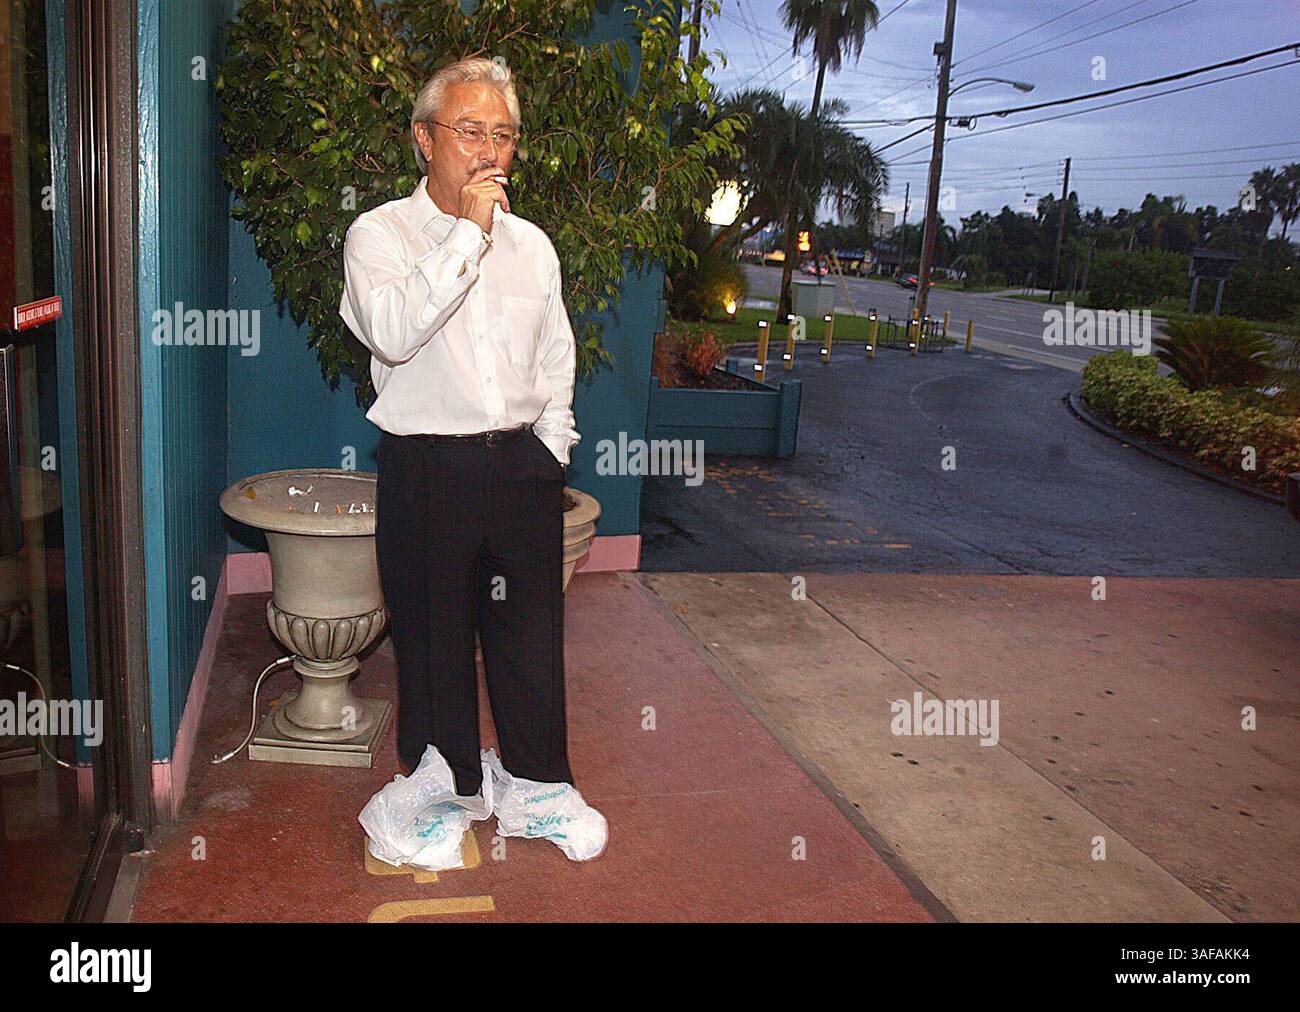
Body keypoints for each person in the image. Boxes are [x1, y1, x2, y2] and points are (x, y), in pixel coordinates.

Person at [339, 57, 604, 862]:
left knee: (531, 639)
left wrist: (550, 447)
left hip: (521, 470)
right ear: (425, 140)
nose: (489, 150)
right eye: (468, 131)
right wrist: (467, 234)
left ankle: (538, 788)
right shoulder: (378, 234)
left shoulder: (534, 247)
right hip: (428, 471)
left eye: (503, 134)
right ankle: (441, 786)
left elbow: (556, 355)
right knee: (432, 641)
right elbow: (393, 330)